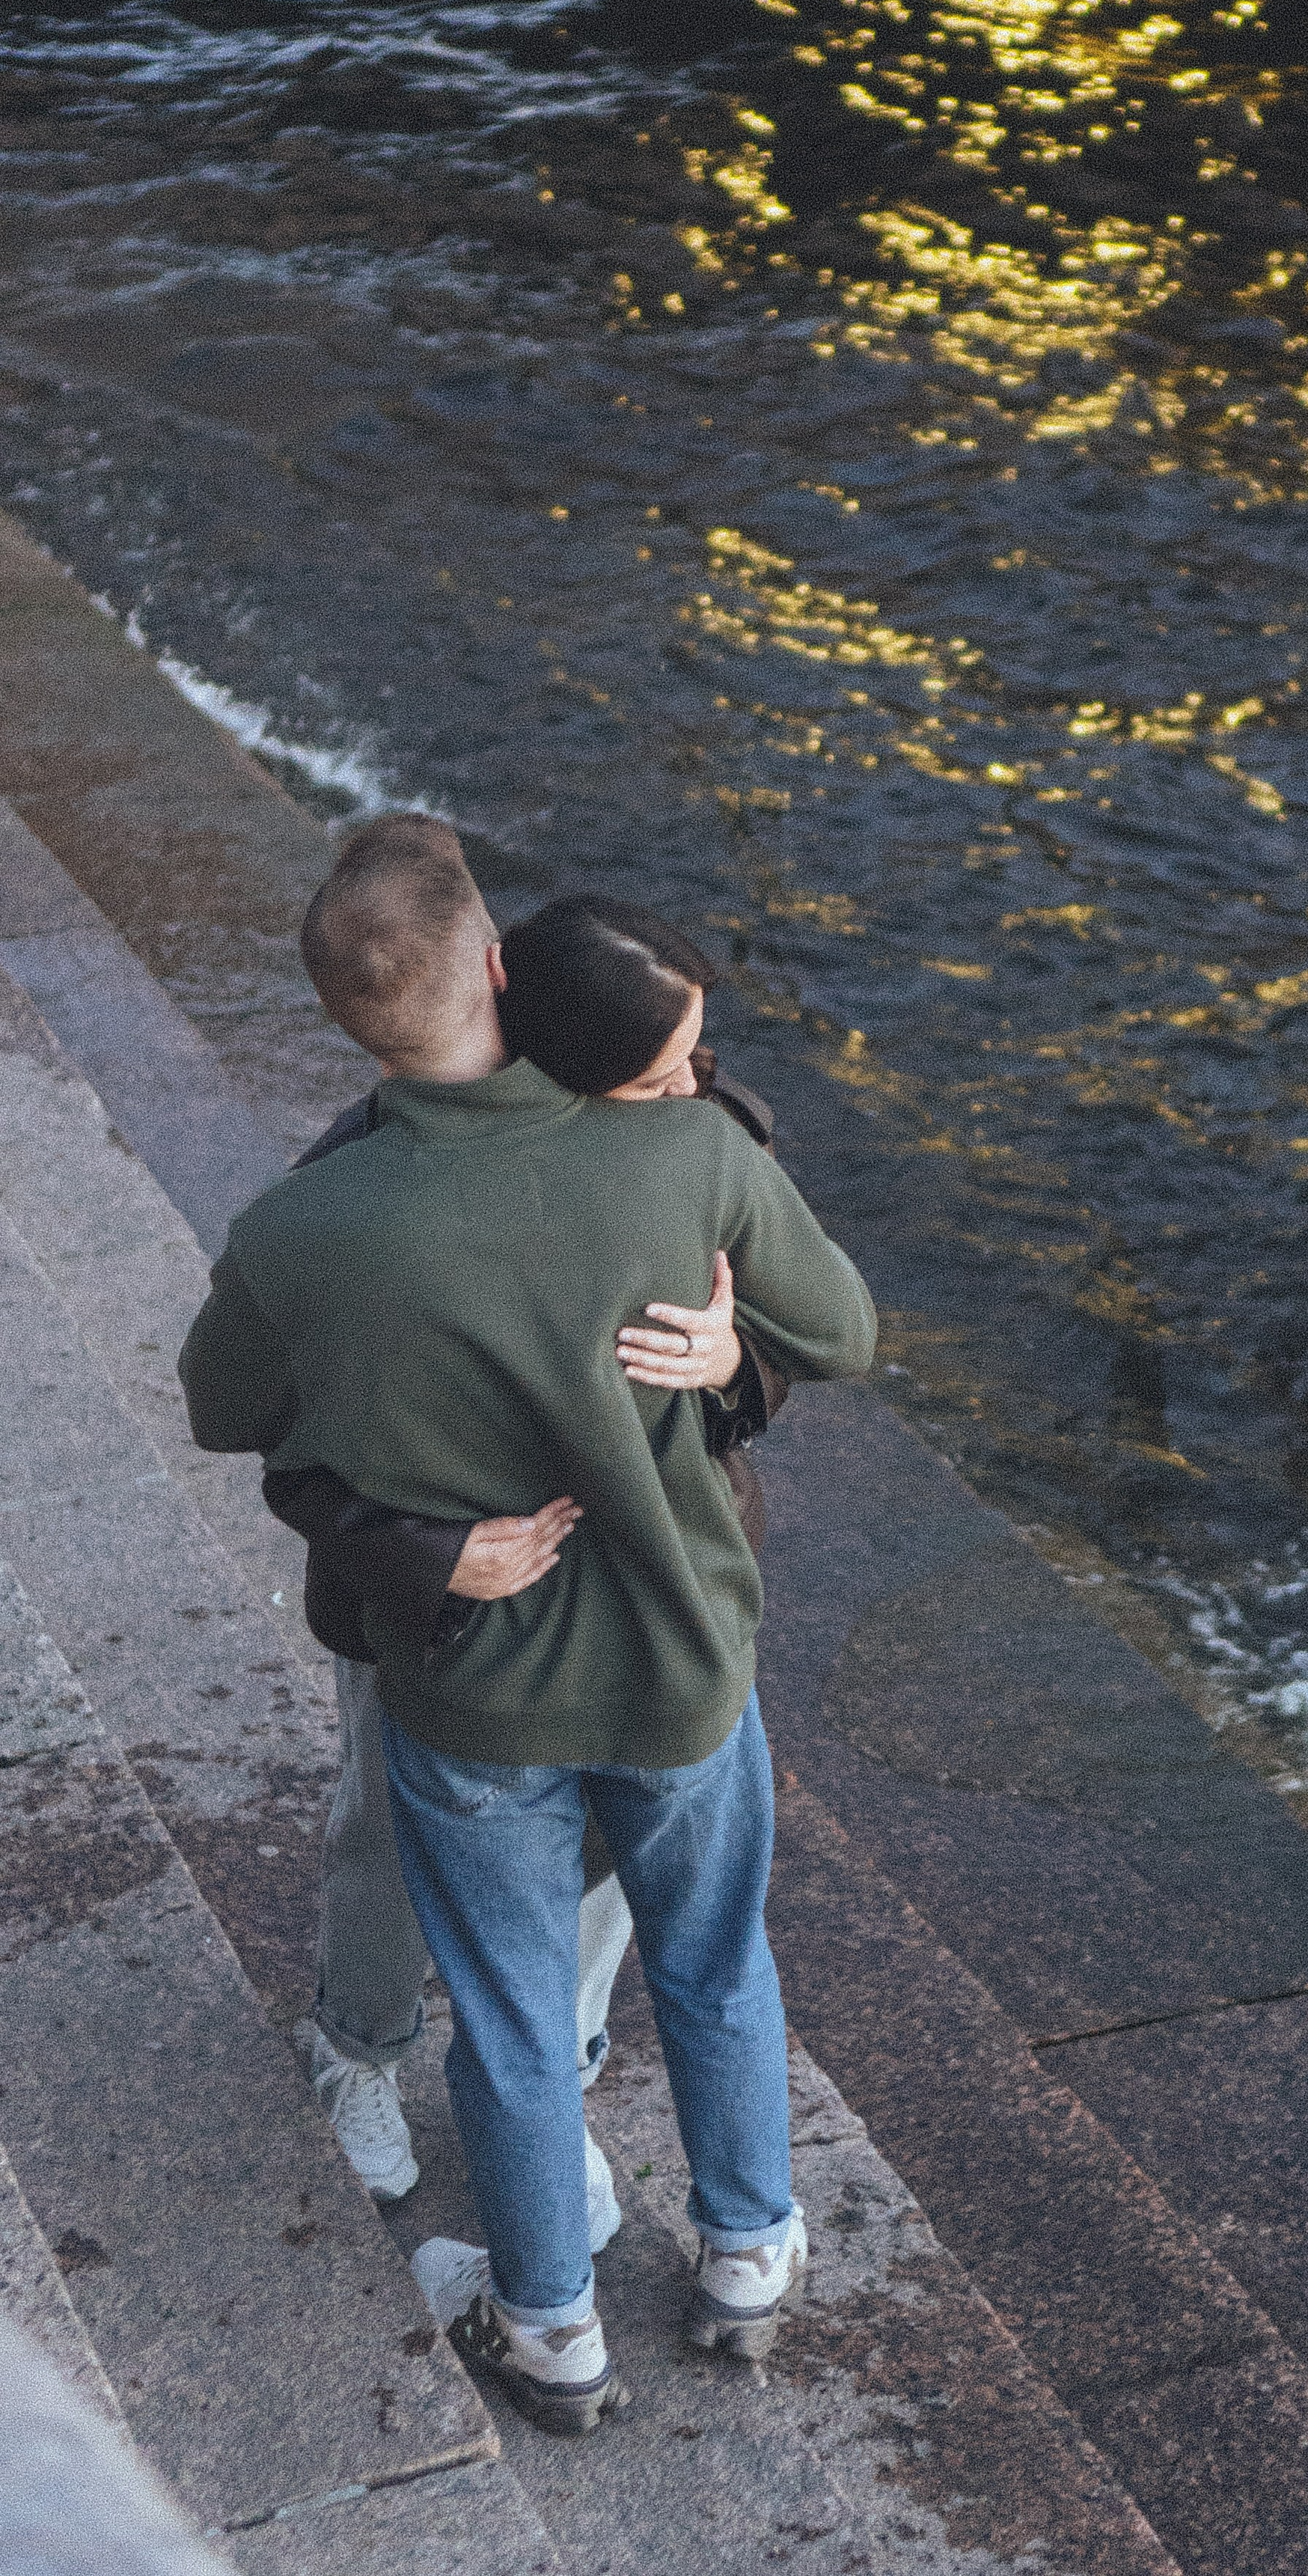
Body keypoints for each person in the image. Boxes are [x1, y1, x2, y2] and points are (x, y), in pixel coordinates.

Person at [180, 829, 876, 2432]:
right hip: (681, 1664)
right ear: (500, 967)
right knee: (711, 1962)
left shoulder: (304, 1227)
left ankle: (548, 2328)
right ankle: (750, 2255)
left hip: (474, 1691)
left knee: (498, 2017)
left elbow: (229, 1412)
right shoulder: (684, 1152)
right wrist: (721, 1355)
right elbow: (838, 1329)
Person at [265, 828, 787, 2235]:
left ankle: (551, 2086)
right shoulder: (365, 1170)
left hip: (653, 1576)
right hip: (440, 1603)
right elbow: (285, 1424)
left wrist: (734, 1356)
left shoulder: (673, 1093)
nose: (690, 1084)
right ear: (491, 972)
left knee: (621, 1866)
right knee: (385, 1828)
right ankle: (360, 2048)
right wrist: (427, 1556)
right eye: (672, 1071)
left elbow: (797, 1317)